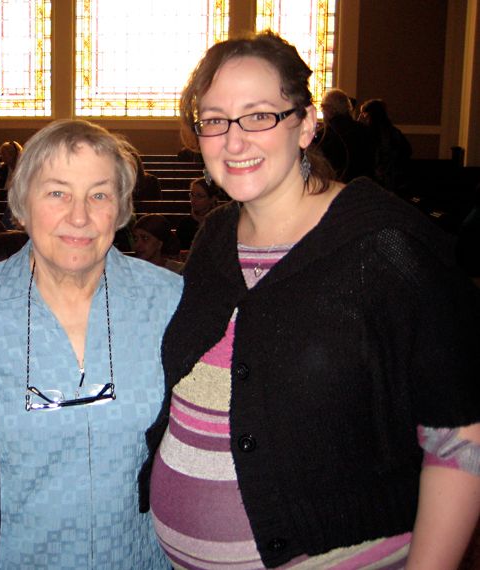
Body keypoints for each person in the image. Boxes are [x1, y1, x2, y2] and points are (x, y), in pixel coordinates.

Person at [138, 31, 480, 570]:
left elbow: (460, 439)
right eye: (214, 119)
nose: (234, 140)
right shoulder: (213, 237)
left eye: (258, 116)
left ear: (306, 124)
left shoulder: (387, 246)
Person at [0, 118, 183, 569]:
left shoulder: (169, 302)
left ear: (122, 207)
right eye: (57, 192)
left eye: (99, 194)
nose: (79, 216)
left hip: (137, 558)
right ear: (21, 204)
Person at [315, 88, 375, 182]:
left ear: (330, 110)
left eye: (323, 107)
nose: (322, 111)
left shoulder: (325, 136)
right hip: (363, 186)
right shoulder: (364, 130)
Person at [358, 98, 412, 194]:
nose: (361, 118)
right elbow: (407, 151)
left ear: (370, 115)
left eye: (363, 115)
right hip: (394, 179)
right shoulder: (394, 132)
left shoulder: (369, 134)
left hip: (381, 179)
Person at [176, 177, 225, 249]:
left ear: (212, 199)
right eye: (192, 195)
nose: (193, 200)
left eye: (200, 196)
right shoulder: (185, 223)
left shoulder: (221, 222)